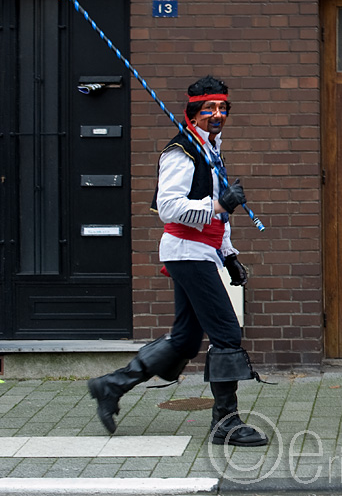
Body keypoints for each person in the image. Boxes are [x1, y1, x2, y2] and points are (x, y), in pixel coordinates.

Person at [88, 76, 268, 447]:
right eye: (209, 109)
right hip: (186, 250)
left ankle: (111, 386)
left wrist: (229, 254)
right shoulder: (180, 151)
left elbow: (219, 215)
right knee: (226, 333)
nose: (217, 115)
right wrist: (219, 205)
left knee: (186, 339)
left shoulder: (212, 147)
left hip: (201, 251)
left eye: (222, 108)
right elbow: (168, 207)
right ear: (193, 113)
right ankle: (225, 424)